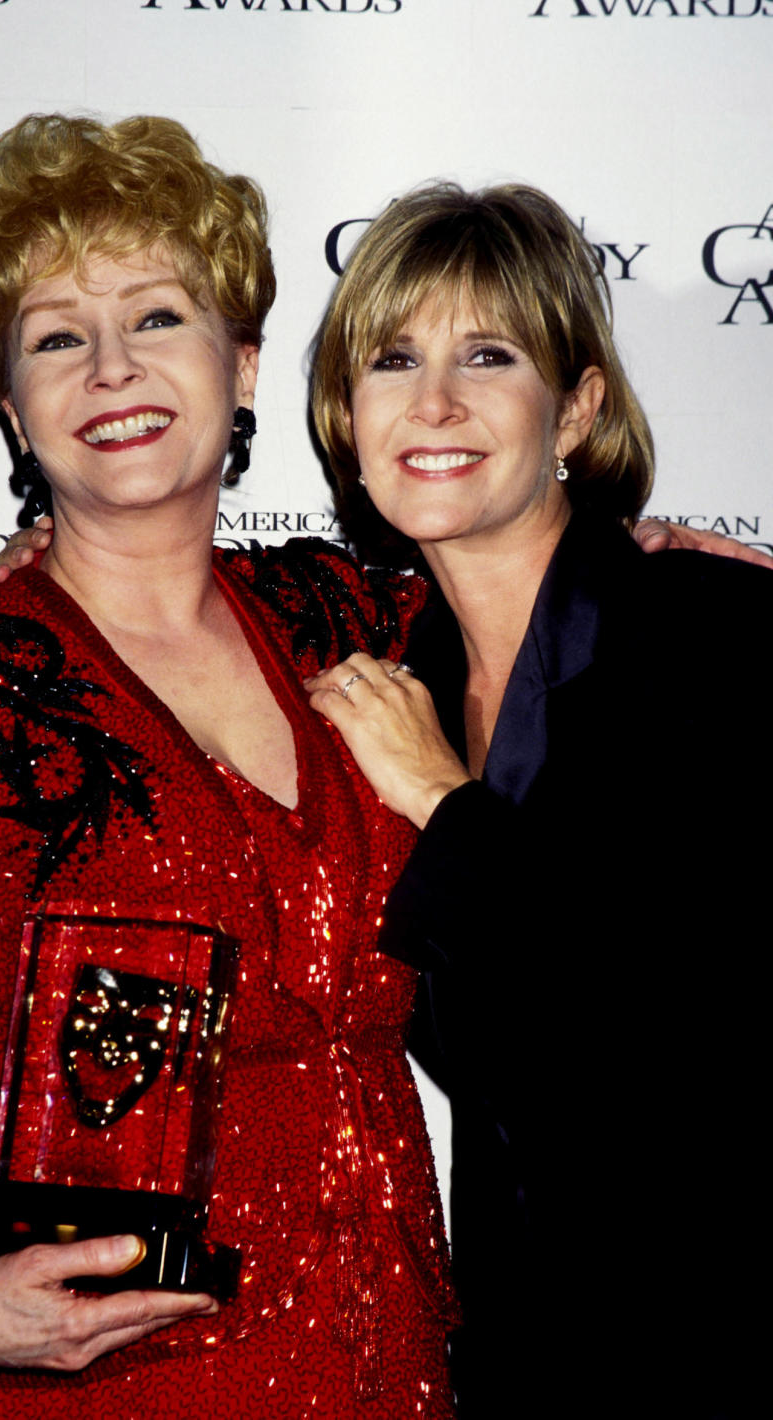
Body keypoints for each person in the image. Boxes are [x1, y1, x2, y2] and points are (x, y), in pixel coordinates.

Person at [0, 114, 458, 1419]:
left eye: (158, 319)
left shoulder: (363, 622)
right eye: (56, 338)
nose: (112, 367)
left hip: (390, 1357)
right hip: (96, 1390)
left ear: (245, 367)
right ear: (9, 403)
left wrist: (628, 540)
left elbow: (544, 596)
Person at [305, 181, 771, 1419]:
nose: (435, 402)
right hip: (519, 1350)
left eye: (489, 355)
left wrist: (449, 812)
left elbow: (659, 1069)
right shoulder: (391, 668)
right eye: (393, 358)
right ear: (347, 417)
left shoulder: (719, 644)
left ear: (576, 407)